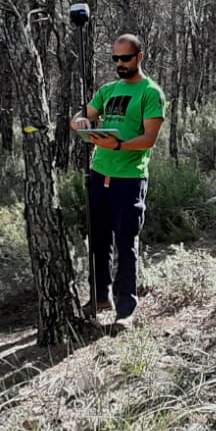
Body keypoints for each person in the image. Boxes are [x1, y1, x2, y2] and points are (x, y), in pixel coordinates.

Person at [69, 33, 164, 323]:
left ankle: (126, 310)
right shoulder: (108, 90)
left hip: (129, 178)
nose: (120, 64)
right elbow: (80, 116)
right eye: (116, 59)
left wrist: (119, 145)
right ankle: (100, 298)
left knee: (126, 242)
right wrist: (81, 121)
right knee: (98, 240)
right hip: (100, 174)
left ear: (139, 57)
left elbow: (148, 138)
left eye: (125, 58)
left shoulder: (150, 93)